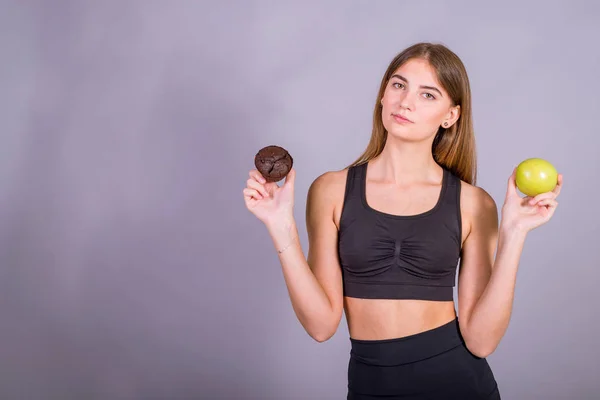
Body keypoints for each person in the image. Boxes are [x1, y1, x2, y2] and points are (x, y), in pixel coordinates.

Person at [242, 42, 562, 399]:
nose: (405, 101)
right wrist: (279, 225)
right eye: (398, 85)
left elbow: (482, 340)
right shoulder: (331, 190)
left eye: (428, 95)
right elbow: (321, 325)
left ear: (450, 116)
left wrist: (515, 232)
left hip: (458, 384)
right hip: (370, 387)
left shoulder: (474, 204)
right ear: (383, 94)